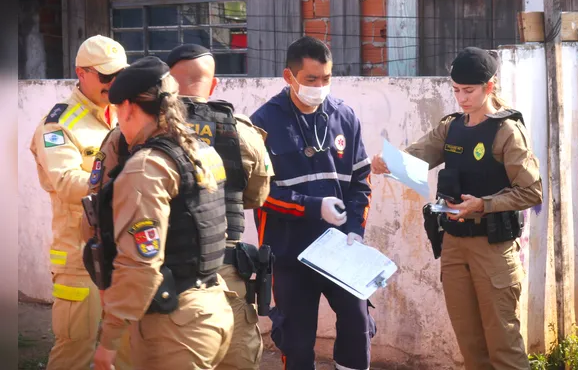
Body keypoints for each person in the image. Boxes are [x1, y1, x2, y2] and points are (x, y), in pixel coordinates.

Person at [371, 47, 542, 370]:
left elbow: (532, 191)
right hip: (453, 245)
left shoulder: (506, 131)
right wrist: (388, 162)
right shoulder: (452, 127)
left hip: (492, 249)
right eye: (456, 91)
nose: (461, 98)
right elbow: (418, 155)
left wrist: (485, 205)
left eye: (469, 91)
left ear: (489, 86)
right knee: (470, 345)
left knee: (503, 345)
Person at [88, 56, 233, 369]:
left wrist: (109, 341)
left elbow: (140, 263)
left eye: (117, 111)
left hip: (174, 326)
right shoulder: (202, 151)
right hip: (213, 308)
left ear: (126, 107)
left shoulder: (146, 167)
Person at [249, 36, 375, 370]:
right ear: (288, 77)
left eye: (326, 79)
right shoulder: (262, 123)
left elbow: (361, 183)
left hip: (341, 251)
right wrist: (312, 206)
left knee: (358, 327)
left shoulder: (344, 116)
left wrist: (355, 231)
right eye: (311, 80)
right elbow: (260, 193)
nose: (320, 87)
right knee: (297, 342)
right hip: (290, 254)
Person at [168, 43, 274, 370]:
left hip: (166, 274)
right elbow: (256, 198)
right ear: (213, 85)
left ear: (167, 83)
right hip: (227, 271)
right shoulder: (240, 131)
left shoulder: (144, 128)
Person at [29, 34, 132, 370]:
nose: (113, 84)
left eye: (119, 75)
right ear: (81, 72)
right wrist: (123, 184)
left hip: (123, 252)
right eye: (105, 76)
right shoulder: (57, 123)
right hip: (78, 257)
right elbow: (65, 183)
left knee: (127, 351)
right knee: (76, 351)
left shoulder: (124, 114)